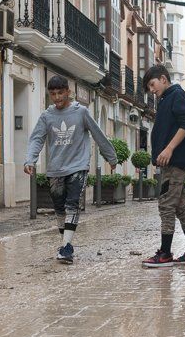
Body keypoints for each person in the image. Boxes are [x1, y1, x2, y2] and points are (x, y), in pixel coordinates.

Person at [24, 75, 117, 264]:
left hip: (78, 166)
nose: (57, 97)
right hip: (56, 168)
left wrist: (111, 157)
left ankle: (66, 247)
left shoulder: (81, 112)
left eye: (60, 93)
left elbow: (97, 134)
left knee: (72, 204)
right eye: (53, 94)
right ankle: (65, 243)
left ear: (68, 92)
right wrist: (30, 160)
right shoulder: (46, 116)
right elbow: (37, 138)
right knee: (59, 208)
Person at [141, 64, 185, 268]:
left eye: (152, 84)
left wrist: (168, 149)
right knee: (180, 206)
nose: (151, 90)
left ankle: (165, 254)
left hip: (175, 161)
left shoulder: (177, 95)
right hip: (170, 163)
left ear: (163, 79)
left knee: (166, 205)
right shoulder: (166, 99)